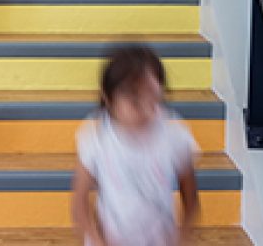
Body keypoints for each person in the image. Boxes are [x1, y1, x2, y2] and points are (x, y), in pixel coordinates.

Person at [72, 45, 200, 246]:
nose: (146, 110)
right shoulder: (96, 139)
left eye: (153, 99)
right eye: (134, 101)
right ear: (108, 97)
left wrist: (183, 236)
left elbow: (191, 200)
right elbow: (79, 203)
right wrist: (96, 239)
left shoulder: (175, 137)